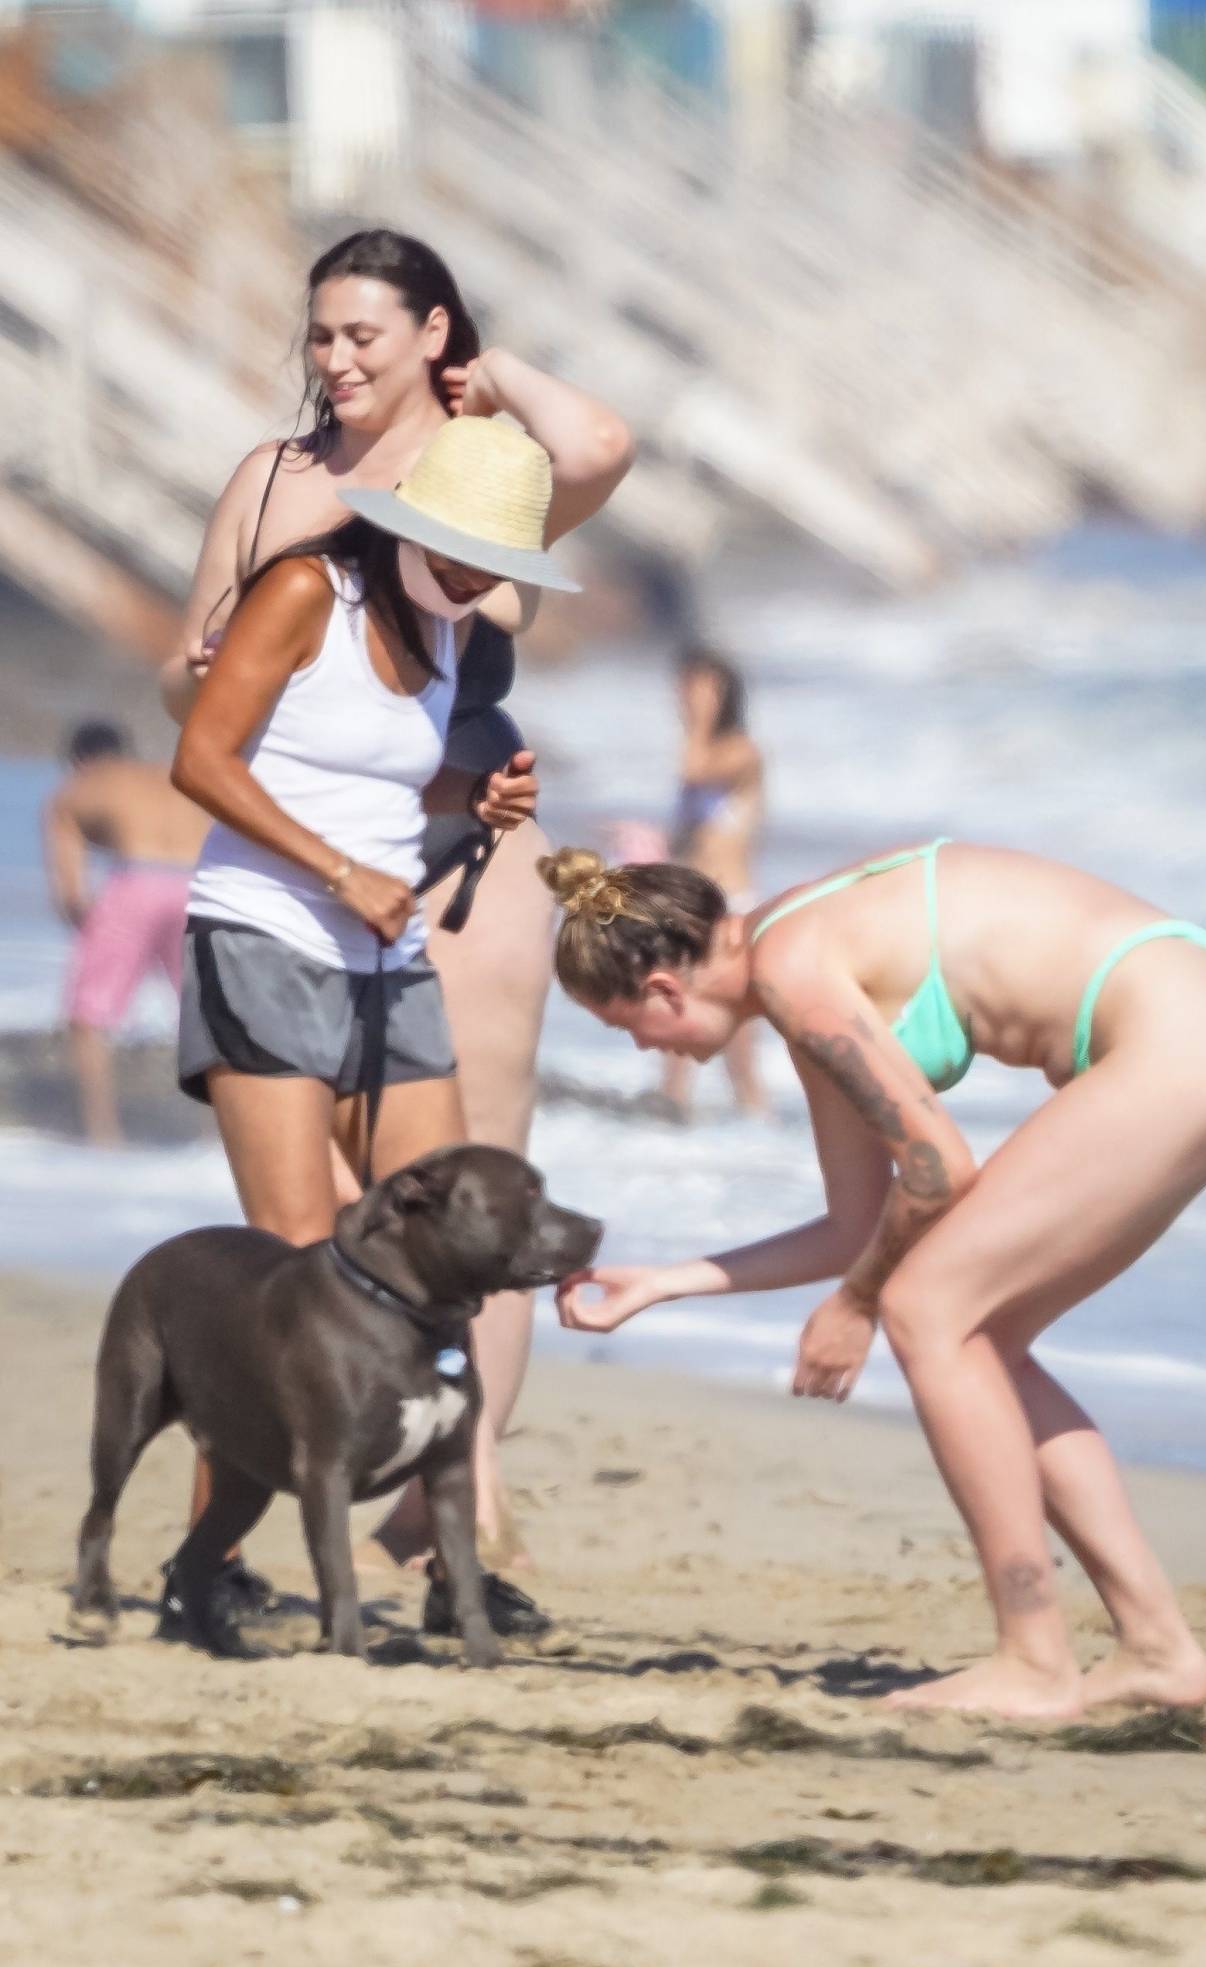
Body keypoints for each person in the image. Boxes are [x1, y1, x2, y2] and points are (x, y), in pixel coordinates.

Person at [541, 839, 1206, 1720]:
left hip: (1184, 1038)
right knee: (984, 1339)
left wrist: (855, 1304)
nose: (638, 1047)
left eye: (624, 1026)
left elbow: (936, 1170)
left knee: (926, 1311)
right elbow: (851, 1226)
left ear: (663, 989)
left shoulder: (793, 969)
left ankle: (1034, 1659)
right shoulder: (794, 959)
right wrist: (663, 1283)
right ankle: (1156, 1649)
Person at [161, 227, 633, 1591]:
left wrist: (492, 380)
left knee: (465, 1207)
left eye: (368, 331)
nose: (338, 358)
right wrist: (213, 666)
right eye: (322, 334)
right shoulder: (278, 490)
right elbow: (193, 718)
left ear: (435, 333)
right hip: (302, 872)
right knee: (306, 1247)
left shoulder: (483, 482)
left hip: (451, 863)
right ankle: (238, 1537)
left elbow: (597, 443)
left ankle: (459, 1516)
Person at [44, 720, 207, 1145]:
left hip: (136, 882)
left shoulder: (81, 787)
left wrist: (93, 929)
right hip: (198, 885)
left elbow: (71, 895)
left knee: (89, 1016)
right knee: (204, 1014)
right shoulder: (166, 775)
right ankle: (216, 1136)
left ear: (78, 761)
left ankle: (103, 1136)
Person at [663, 646, 768, 1118]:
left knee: (736, 1032)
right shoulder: (698, 750)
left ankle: (756, 1118)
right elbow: (687, 837)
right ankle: (671, 1117)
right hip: (689, 899)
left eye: (701, 688)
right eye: (686, 687)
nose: (688, 697)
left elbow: (694, 770)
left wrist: (701, 720)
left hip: (729, 902)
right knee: (671, 1013)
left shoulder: (741, 752)